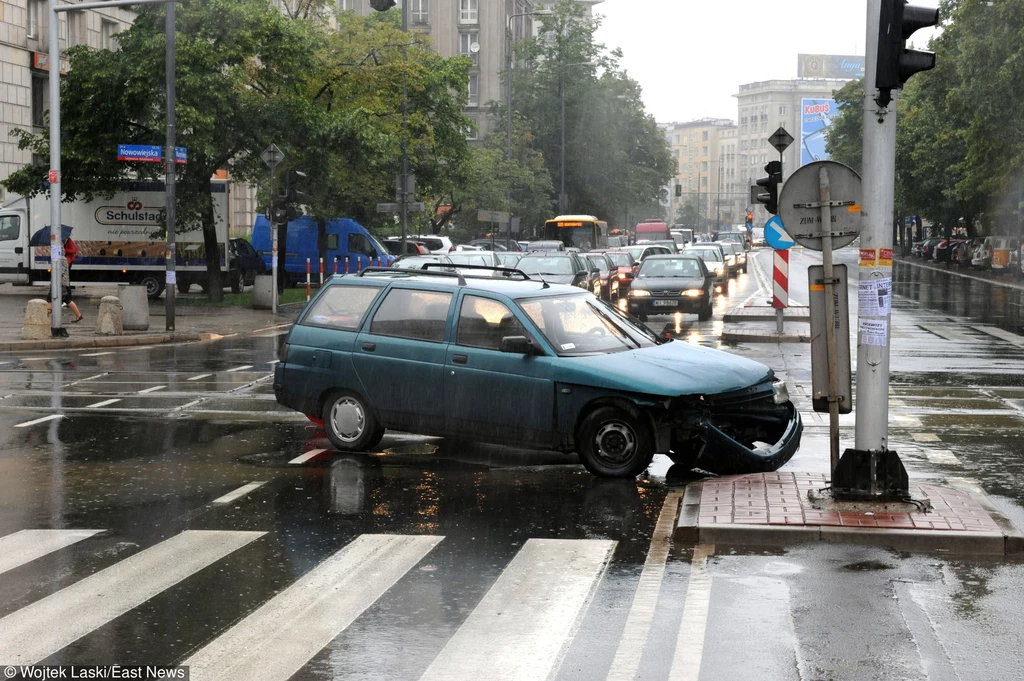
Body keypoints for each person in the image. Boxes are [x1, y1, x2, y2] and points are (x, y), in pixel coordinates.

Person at [47, 236, 82, 323]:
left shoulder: (61, 260)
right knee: (50, 298)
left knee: (66, 299)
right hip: (58, 282)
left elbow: (60, 272)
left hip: (59, 283)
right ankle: (46, 316)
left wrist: (56, 280)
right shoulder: (60, 259)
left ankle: (78, 315)